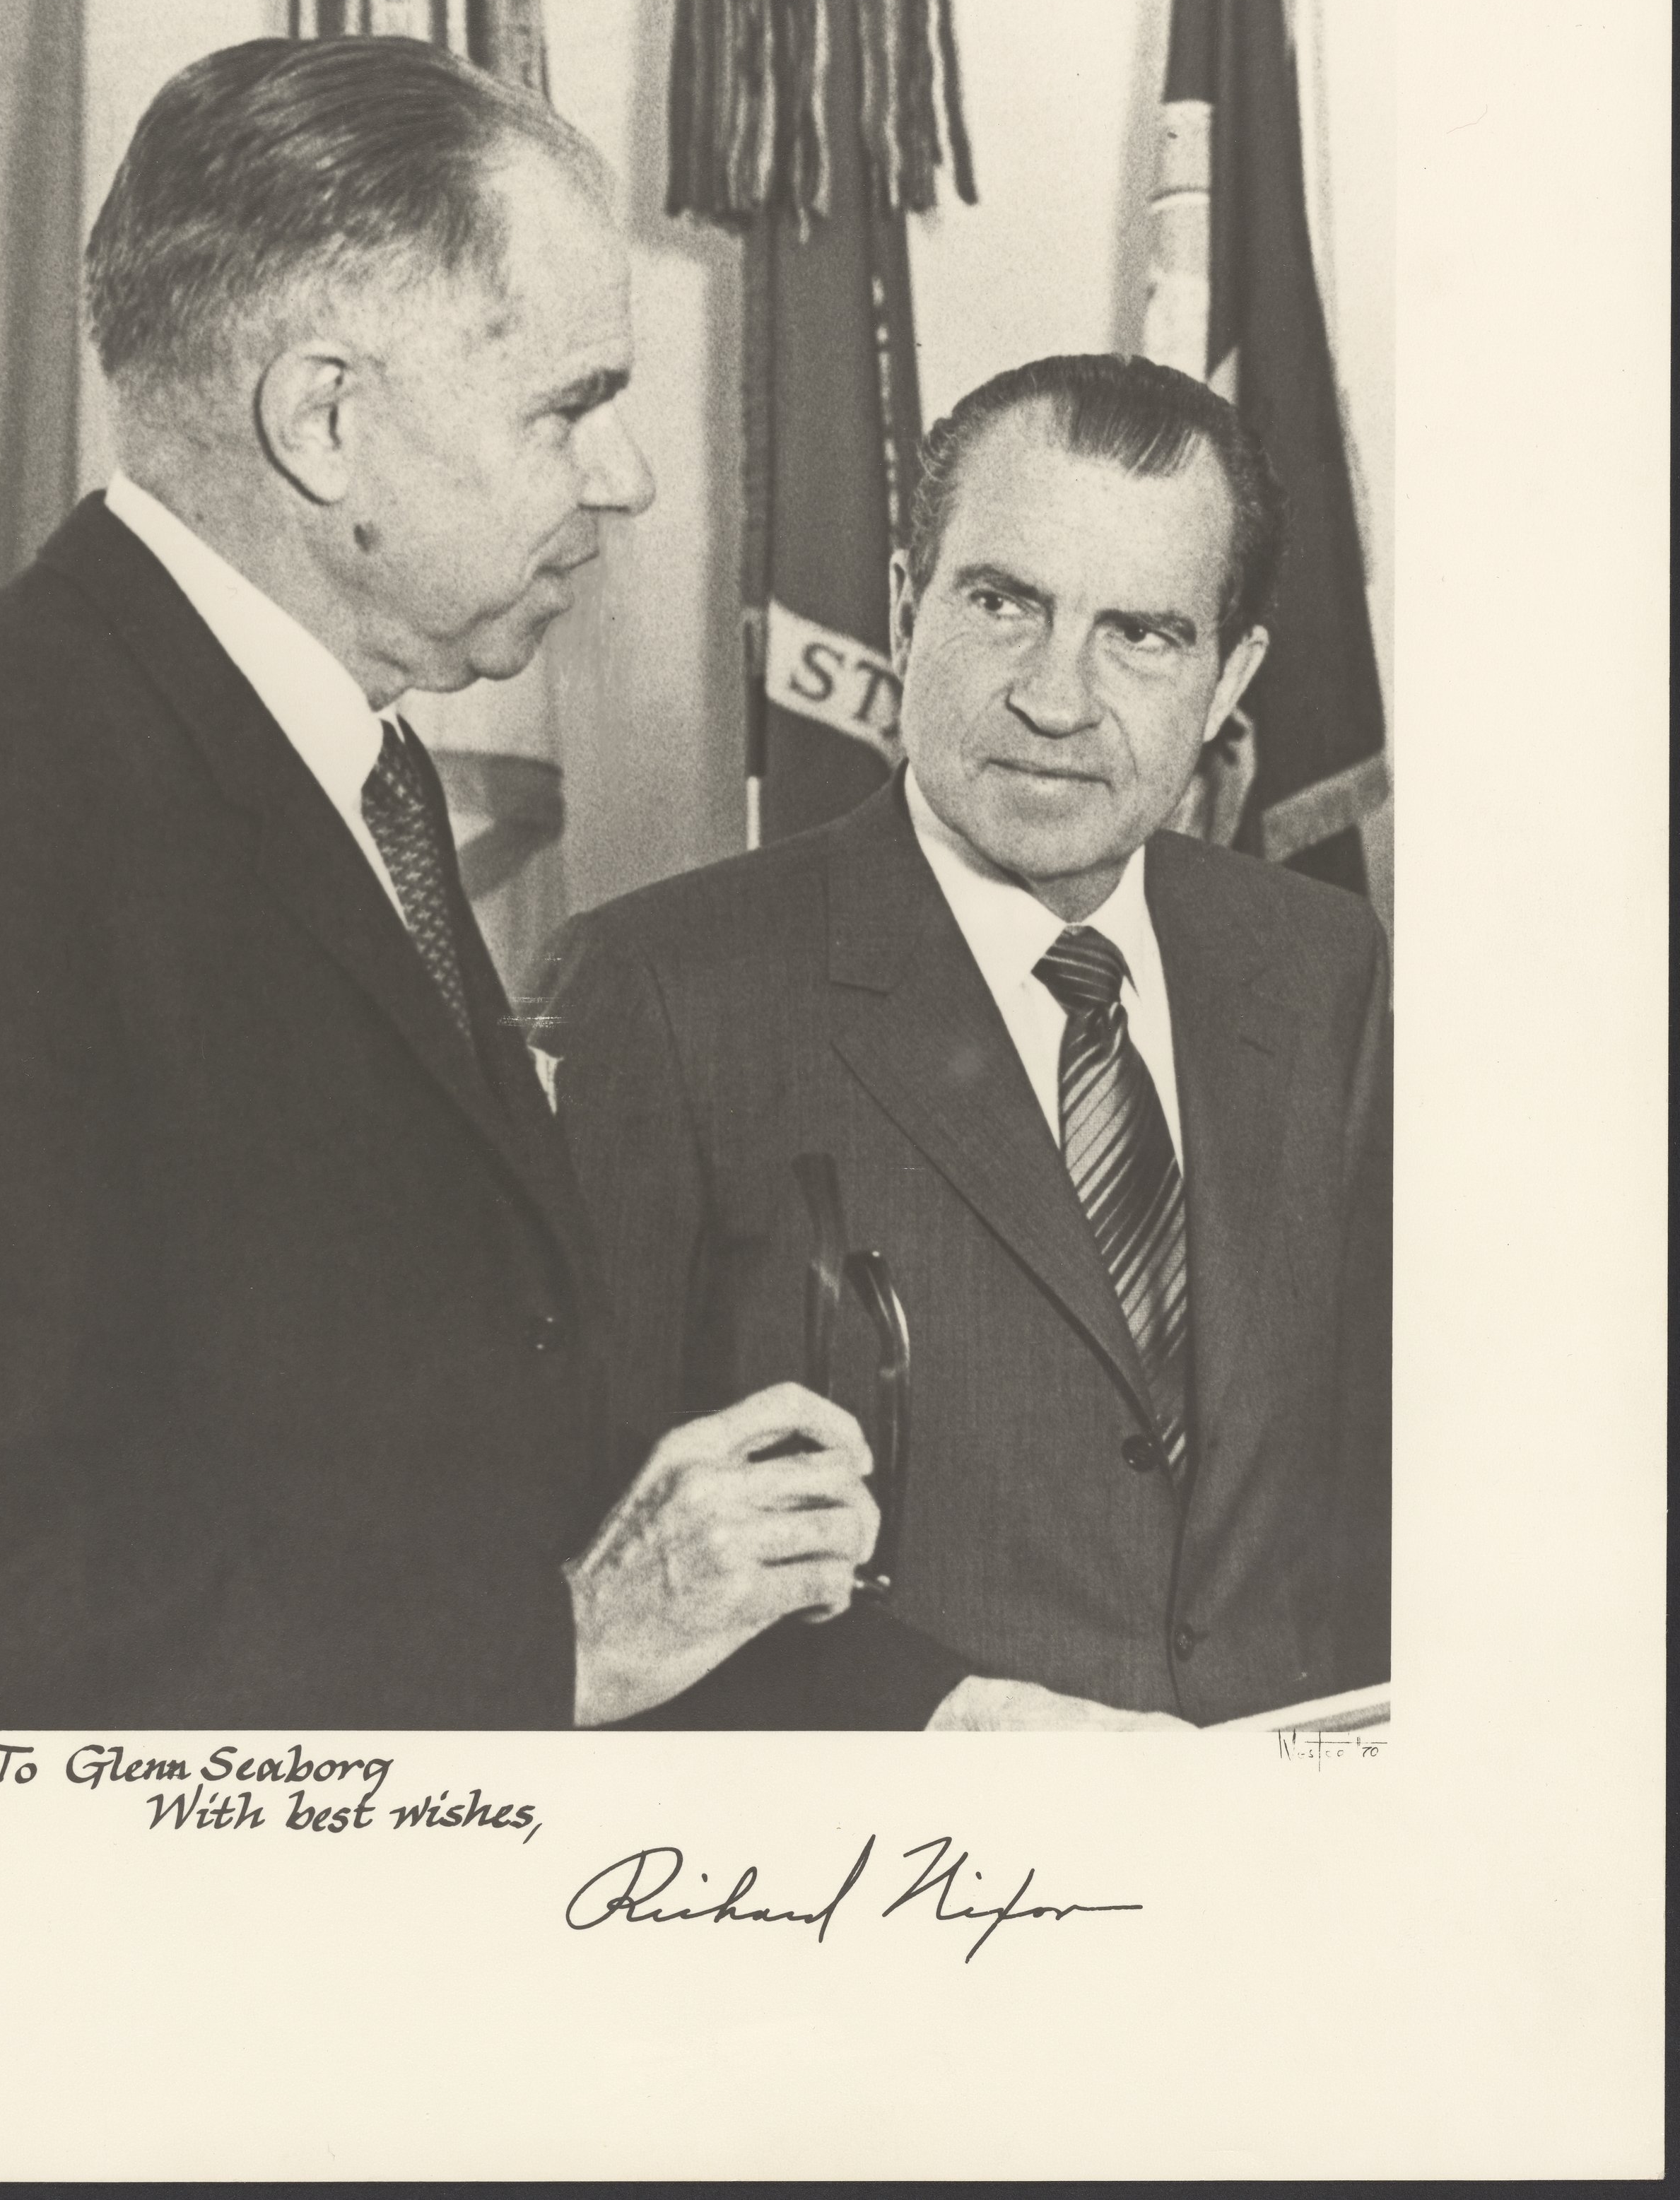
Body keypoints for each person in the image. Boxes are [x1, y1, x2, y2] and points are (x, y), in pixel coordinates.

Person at [0, 35, 878, 1732]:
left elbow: (461, 1426)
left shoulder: (341, 757)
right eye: (570, 406)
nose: (629, 477)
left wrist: (946, 1712)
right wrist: (560, 1652)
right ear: (324, 422)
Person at [542, 353, 1392, 1730]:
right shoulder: (662, 990)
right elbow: (588, 1565)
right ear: (905, 607)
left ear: (1231, 675)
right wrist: (940, 1719)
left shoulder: (1319, 966)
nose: (1055, 699)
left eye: (1142, 635)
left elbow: (1377, 1490)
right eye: (1003, 605)